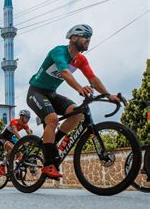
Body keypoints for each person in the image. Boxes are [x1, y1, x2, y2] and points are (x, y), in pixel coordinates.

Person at [27, 24, 121, 179]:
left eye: (89, 38)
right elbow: (64, 73)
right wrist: (79, 88)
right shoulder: (59, 52)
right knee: (52, 120)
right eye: (85, 37)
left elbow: (93, 79)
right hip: (36, 92)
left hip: (51, 93)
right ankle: (48, 164)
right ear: (74, 38)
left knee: (76, 114)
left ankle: (51, 144)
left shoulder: (81, 60)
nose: (88, 41)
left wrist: (108, 95)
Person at [0, 109, 33, 175]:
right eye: (26, 117)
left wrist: (34, 141)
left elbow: (30, 135)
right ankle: (2, 166)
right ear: (21, 117)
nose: (28, 119)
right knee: (13, 148)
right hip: (2, 138)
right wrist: (23, 141)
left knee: (19, 154)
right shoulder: (14, 122)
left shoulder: (25, 125)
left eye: (29, 117)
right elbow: (15, 132)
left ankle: (16, 171)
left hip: (10, 139)